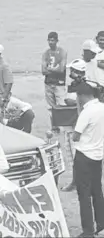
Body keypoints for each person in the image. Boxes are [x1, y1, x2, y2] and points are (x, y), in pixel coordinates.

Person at [71, 82, 104, 237]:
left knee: (84, 195)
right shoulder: (102, 108)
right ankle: (101, 224)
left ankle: (88, 230)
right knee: (97, 191)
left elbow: (76, 135)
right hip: (98, 155)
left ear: (82, 96)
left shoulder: (87, 112)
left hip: (84, 155)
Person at [60, 59, 87, 192]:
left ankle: (78, 182)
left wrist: (68, 100)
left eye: (73, 71)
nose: (70, 73)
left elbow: (73, 101)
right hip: (70, 124)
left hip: (77, 125)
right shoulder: (75, 84)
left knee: (77, 154)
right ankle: (76, 181)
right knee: (71, 153)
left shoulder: (83, 86)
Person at [41, 32, 68, 133]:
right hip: (48, 82)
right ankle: (54, 126)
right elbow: (43, 71)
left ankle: (63, 127)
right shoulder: (45, 53)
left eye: (53, 40)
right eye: (49, 40)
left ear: (57, 41)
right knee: (50, 107)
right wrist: (54, 69)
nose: (51, 42)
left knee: (61, 104)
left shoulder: (62, 52)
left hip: (59, 83)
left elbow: (61, 69)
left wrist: (49, 69)